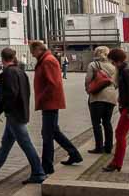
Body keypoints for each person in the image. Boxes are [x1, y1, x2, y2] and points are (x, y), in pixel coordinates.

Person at [0, 47, 46, 185]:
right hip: (20, 111)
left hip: (14, 114)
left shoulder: (7, 73)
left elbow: (10, 95)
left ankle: (38, 172)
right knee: (6, 142)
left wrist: (1, 108)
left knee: (25, 143)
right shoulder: (21, 71)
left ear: (2, 59)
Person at [30, 40, 82, 174]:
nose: (31, 54)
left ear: (39, 49)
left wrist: (41, 97)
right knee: (53, 132)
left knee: (47, 134)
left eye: (32, 51)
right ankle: (74, 154)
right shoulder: (45, 59)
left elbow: (53, 84)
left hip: (50, 102)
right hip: (49, 102)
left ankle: (47, 166)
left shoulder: (48, 60)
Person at [85, 46, 118, 154]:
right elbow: (116, 83)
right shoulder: (114, 67)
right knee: (107, 122)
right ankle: (108, 147)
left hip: (97, 97)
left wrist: (88, 90)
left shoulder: (93, 65)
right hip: (111, 97)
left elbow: (88, 80)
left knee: (96, 123)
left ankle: (99, 146)